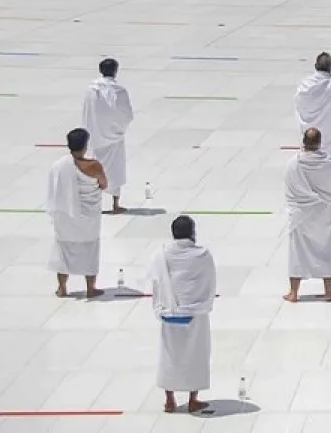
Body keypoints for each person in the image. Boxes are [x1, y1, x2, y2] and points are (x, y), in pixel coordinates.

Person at [149, 215, 216, 414]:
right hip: (195, 312)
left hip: (169, 313)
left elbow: (156, 281)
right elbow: (209, 280)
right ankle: (193, 399)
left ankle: (169, 400)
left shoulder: (161, 254)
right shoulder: (202, 254)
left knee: (170, 356)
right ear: (192, 233)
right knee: (196, 355)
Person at [47, 128, 107, 298]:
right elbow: (104, 184)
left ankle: (62, 288)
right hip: (88, 218)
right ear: (85, 145)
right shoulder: (94, 166)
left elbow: (53, 189)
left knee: (63, 251)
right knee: (89, 250)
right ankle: (90, 288)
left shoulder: (58, 165)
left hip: (65, 216)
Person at [294, 52, 331, 216]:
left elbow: (299, 105)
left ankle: (312, 203)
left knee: (310, 168)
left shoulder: (306, 86)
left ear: (316, 67)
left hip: (312, 134)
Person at [284, 128, 331, 302]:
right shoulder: (329, 163)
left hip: (301, 214)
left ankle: (294, 292)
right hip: (323, 213)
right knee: (326, 249)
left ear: (303, 142)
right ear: (320, 143)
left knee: (297, 252)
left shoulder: (294, 163)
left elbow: (290, 190)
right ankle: (328, 291)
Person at [81, 57, 133, 214]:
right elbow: (127, 114)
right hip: (114, 136)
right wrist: (117, 128)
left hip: (96, 136)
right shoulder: (119, 91)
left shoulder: (91, 89)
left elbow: (87, 112)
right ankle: (115, 204)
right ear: (115, 71)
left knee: (95, 170)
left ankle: (93, 204)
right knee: (115, 169)